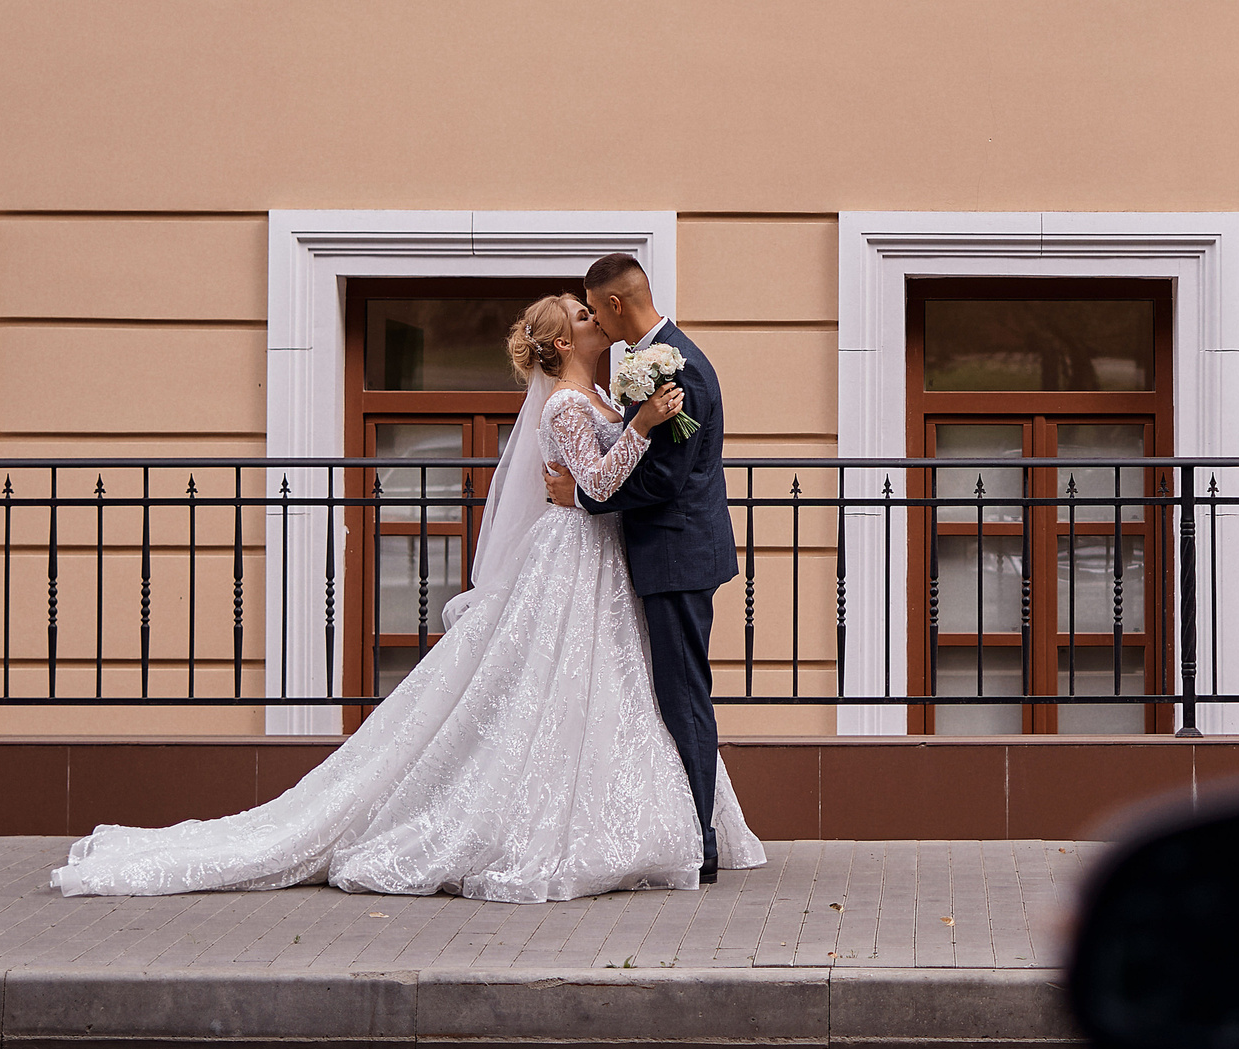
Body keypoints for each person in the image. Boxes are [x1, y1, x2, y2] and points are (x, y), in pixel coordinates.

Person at [50, 294, 763, 902]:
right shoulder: (572, 403)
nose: (595, 316)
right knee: (563, 685)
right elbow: (600, 485)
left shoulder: (598, 394)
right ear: (562, 339)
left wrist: (622, 435)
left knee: (616, 688)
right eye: (583, 313)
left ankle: (651, 822)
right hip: (576, 555)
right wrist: (633, 432)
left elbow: (598, 484)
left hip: (602, 561)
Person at [541, 253, 738, 882]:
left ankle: (698, 845)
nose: (596, 322)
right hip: (665, 553)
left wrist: (586, 494)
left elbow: (664, 478)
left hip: (677, 553)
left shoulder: (678, 369)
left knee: (682, 696)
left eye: (596, 310)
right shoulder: (652, 365)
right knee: (670, 694)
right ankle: (687, 829)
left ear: (615, 305)